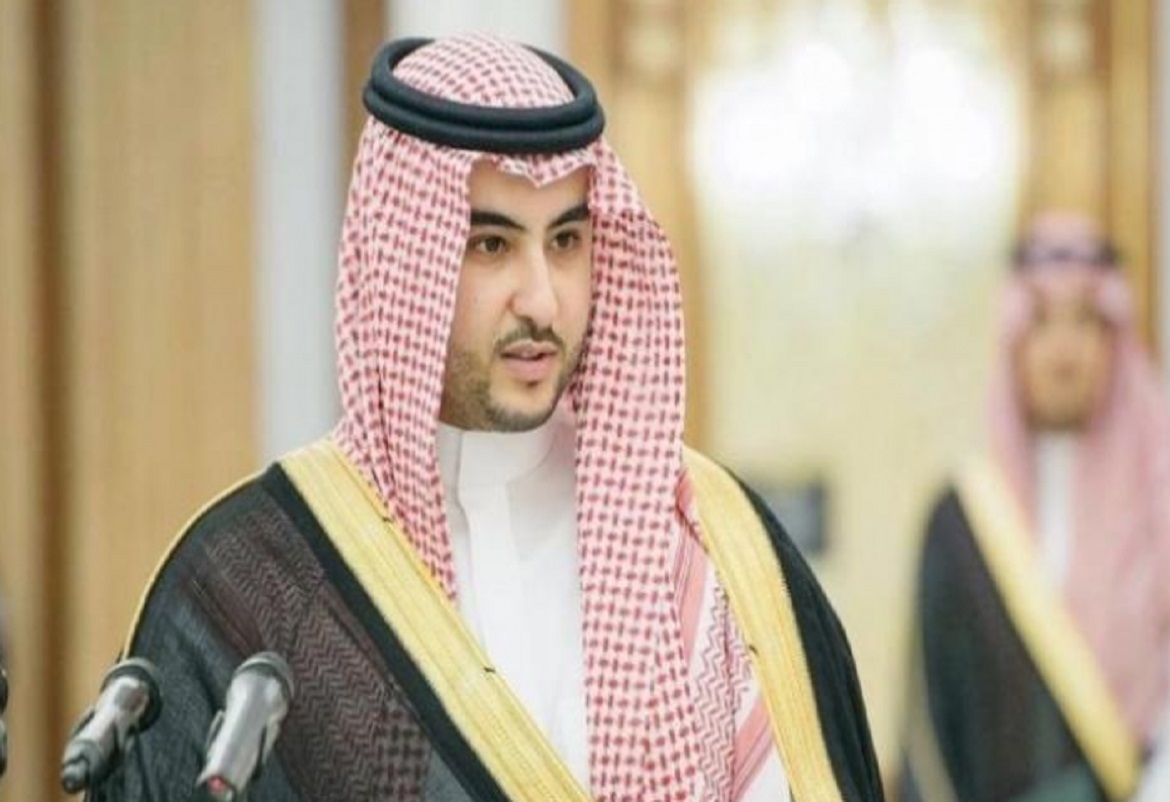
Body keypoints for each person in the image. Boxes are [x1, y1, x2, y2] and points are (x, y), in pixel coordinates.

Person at [99, 35, 881, 801]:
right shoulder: (260, 578)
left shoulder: (720, 556)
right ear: (404, 260)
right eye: (490, 245)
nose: (541, 300)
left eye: (566, 240)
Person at [897, 213, 1170, 802]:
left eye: (1085, 321)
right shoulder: (962, 519)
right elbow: (930, 734)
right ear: (1014, 343)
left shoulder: (1160, 504)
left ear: (1115, 341)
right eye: (1042, 322)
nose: (1064, 350)